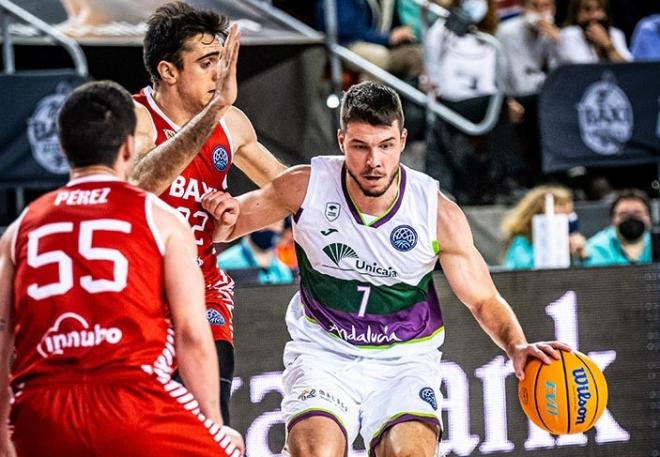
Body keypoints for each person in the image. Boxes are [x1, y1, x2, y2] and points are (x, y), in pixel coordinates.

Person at [202, 81, 570, 456]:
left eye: (385, 146)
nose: (373, 161)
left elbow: (483, 299)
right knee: (315, 452)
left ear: (403, 140)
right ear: (342, 140)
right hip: (324, 352)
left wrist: (517, 345)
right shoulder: (305, 186)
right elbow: (219, 228)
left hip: (404, 360)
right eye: (360, 146)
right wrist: (221, 214)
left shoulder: (436, 213)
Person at [0, 81, 243, 456]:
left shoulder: (20, 228)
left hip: (41, 410)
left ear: (63, 150)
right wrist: (213, 425)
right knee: (229, 447)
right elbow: (193, 335)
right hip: (127, 399)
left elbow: (5, 341)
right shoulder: (159, 218)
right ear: (129, 147)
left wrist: (5, 433)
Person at [130, 2, 286, 425]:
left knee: (209, 424)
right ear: (168, 71)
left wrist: (238, 218)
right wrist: (213, 111)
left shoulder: (232, 123)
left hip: (204, 290)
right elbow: (135, 188)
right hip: (141, 296)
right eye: (206, 62)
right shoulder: (137, 118)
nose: (220, 73)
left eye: (221, 59)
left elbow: (287, 190)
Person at [315, 0, 424, 81]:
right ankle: (369, 107)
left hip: (381, 45)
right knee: (378, 55)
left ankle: (410, 107)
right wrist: (388, 38)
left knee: (416, 54)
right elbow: (349, 31)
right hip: (346, 45)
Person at [501, 185, 587, 269]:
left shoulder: (570, 244)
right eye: (559, 215)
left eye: (569, 214)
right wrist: (559, 251)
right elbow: (526, 273)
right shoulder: (521, 243)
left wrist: (582, 256)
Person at [585, 189, 653, 266]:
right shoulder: (595, 248)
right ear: (612, 220)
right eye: (623, 214)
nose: (631, 218)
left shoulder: (655, 243)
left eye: (638, 213)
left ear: (649, 218)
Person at [218, 220, 294, 285]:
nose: (269, 227)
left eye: (276, 224)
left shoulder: (282, 271)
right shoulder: (222, 264)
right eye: (263, 223)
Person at [556, 0, 632, 64]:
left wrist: (608, 46)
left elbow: (629, 68)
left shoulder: (616, 34)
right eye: (587, 10)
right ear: (576, 14)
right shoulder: (569, 34)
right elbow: (584, 69)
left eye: (599, 9)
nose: (594, 16)